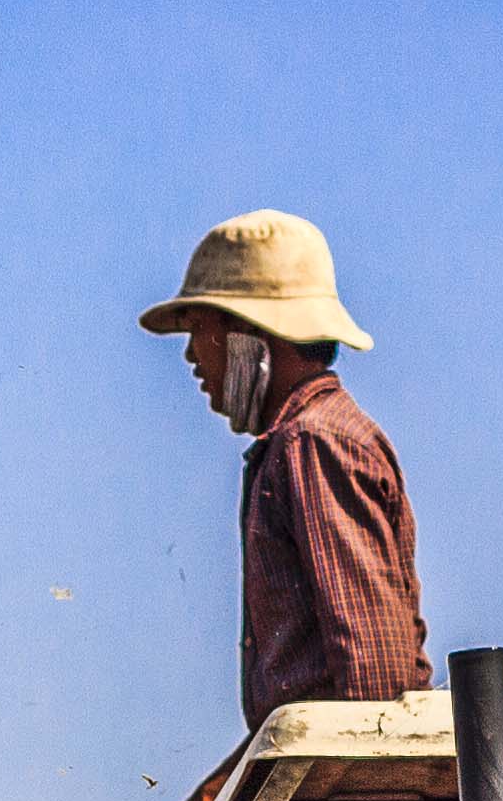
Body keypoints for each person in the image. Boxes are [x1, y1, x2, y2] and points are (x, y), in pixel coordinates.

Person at [140, 208, 427, 724]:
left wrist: (359, 797)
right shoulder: (308, 441)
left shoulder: (314, 444)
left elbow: (376, 672)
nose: (189, 356)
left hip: (347, 794)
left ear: (250, 335)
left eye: (198, 330)